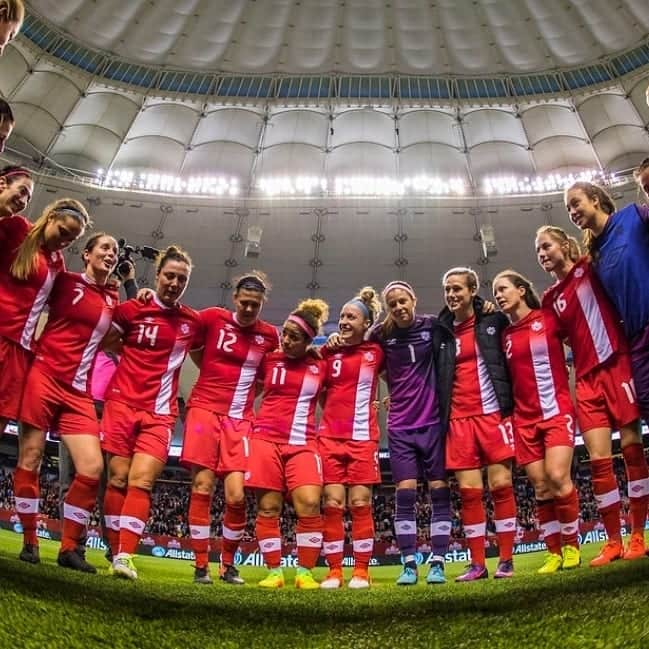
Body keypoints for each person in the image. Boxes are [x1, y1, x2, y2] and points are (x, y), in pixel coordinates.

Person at [535, 225, 647, 564]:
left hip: (618, 363)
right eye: (537, 250)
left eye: (546, 246)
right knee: (599, 462)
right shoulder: (550, 299)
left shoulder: (590, 266)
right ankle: (613, 541)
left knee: (631, 451)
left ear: (564, 245)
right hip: (586, 380)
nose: (541, 254)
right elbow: (561, 338)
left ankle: (638, 535)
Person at [15, 233, 118, 571]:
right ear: (86, 254)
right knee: (30, 458)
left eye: (114, 251)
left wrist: (139, 290)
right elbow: (30, 296)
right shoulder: (65, 281)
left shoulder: (113, 297)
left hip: (78, 392)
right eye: (104, 247)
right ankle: (30, 541)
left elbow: (122, 334)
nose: (110, 253)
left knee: (91, 469)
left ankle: (69, 549)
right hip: (43, 376)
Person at [100, 245, 202, 580]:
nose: (174, 283)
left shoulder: (191, 321)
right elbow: (103, 339)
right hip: (121, 404)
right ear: (158, 276)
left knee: (141, 481)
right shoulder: (132, 310)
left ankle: (125, 556)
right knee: (116, 478)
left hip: (159, 413)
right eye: (169, 276)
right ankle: (114, 549)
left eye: (182, 279)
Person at [180, 271, 279, 585]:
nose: (249, 309)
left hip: (240, 420)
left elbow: (266, 378)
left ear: (262, 304)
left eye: (255, 305)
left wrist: (244, 399)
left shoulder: (269, 336)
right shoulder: (212, 319)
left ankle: (227, 566)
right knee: (202, 487)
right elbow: (194, 348)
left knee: (236, 497)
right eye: (245, 302)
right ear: (235, 298)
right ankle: (200, 567)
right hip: (203, 413)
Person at [366, 281, 455, 586]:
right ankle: (408, 565)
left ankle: (439, 563)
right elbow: (364, 355)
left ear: (413, 299)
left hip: (432, 422)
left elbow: (465, 324)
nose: (399, 307)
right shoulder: (380, 335)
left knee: (439, 491)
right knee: (405, 493)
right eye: (392, 304)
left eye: (403, 301)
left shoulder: (432, 325)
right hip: (401, 426)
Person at [493, 270, 581, 574]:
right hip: (524, 419)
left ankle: (572, 546)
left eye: (503, 289)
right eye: (495, 293)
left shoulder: (549, 318)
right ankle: (553, 552)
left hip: (556, 411)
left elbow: (579, 341)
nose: (499, 295)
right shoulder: (505, 335)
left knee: (558, 476)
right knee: (541, 487)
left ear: (520, 290)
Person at [57, 259, 139, 562]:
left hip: (113, 411)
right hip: (79, 405)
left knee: (109, 484)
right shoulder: (87, 344)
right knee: (74, 477)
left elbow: (139, 316)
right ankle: (73, 545)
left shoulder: (127, 347)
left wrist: (129, 283)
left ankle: (114, 548)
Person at [439, 268, 517, 581]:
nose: (452, 295)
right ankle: (477, 564)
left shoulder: (493, 321)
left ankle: (507, 561)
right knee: (469, 493)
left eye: (457, 288)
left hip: (492, 414)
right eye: (447, 290)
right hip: (458, 420)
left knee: (501, 486)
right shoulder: (440, 332)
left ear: (473, 291)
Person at [246, 299, 329, 589]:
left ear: (309, 340)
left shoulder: (321, 365)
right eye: (285, 333)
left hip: (303, 442)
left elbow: (333, 398)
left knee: (308, 503)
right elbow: (248, 387)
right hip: (265, 440)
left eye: (295, 337)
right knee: (268, 507)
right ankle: (274, 572)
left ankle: (304, 573)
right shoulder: (268, 359)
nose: (287, 340)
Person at [0, 198, 86, 439]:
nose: (64, 241)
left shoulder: (58, 263)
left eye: (71, 239)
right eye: (62, 232)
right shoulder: (17, 228)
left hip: (20, 353)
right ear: (51, 217)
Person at [318, 287, 384, 590]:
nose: (343, 322)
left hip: (362, 439)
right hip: (329, 438)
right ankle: (333, 571)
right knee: (332, 503)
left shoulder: (376, 352)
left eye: (351, 317)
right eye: (342, 316)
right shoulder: (328, 352)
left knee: (360, 503)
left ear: (365, 323)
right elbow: (318, 392)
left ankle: (361, 571)